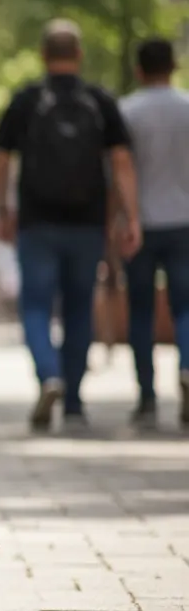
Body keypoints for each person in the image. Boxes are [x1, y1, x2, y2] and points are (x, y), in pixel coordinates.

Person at [0, 20, 141, 432]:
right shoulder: (99, 100)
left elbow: (1, 160)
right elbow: (122, 162)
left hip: (37, 223)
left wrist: (3, 209)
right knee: (78, 308)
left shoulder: (26, 99)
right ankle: (73, 402)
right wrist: (130, 216)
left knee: (36, 306)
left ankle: (49, 375)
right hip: (87, 225)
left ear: (43, 55)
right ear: (79, 55)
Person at [118, 38, 189, 430]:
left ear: (139, 69)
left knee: (141, 311)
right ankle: (188, 368)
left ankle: (147, 396)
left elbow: (118, 170)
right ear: (174, 66)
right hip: (184, 223)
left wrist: (119, 221)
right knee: (186, 307)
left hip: (139, 225)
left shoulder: (127, 111)